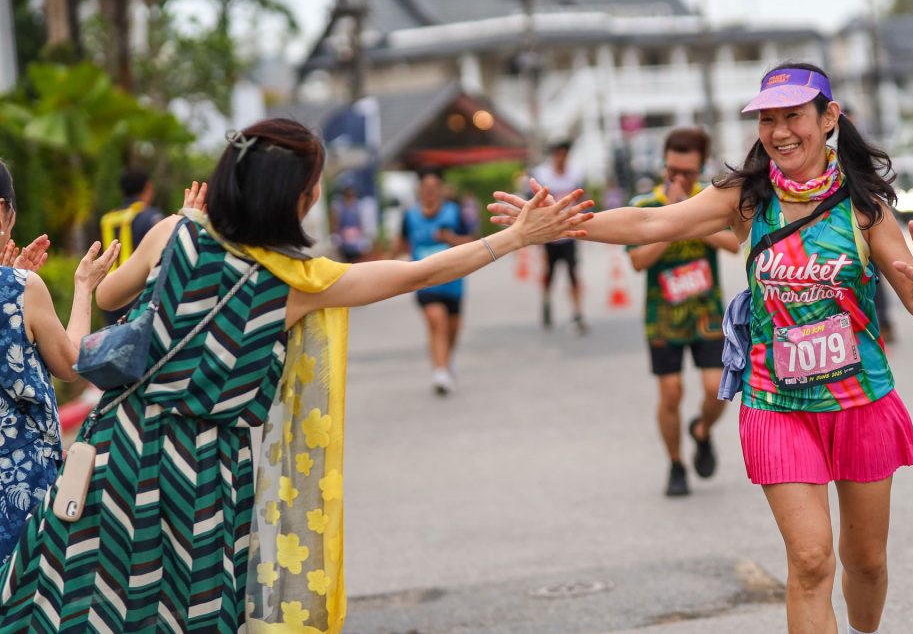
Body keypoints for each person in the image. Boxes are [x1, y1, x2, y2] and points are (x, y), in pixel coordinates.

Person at [0, 119, 591, 633]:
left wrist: (175, 240)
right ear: (296, 198)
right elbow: (418, 273)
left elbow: (110, 296)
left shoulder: (174, 232)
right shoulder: (295, 282)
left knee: (82, 596)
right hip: (204, 474)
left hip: (118, 447)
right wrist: (516, 236)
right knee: (190, 607)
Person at [491, 63, 913, 634]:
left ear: (829, 118)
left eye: (793, 116)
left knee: (865, 563)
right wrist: (559, 224)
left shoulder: (863, 206)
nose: (780, 132)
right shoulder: (747, 198)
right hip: (777, 404)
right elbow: (651, 225)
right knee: (810, 559)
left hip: (860, 403)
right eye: (768, 120)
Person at [0, 161, 120, 563]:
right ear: (3, 211)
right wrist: (83, 287)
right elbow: (70, 364)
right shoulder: (20, 289)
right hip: (18, 487)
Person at [626, 128, 739, 496]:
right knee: (671, 392)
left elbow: (733, 244)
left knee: (717, 389)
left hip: (707, 313)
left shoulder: (711, 201)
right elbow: (639, 261)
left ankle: (702, 430)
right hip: (662, 317)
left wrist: (689, 217)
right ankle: (676, 464)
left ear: (700, 169)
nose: (678, 179)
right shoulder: (645, 205)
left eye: (687, 173)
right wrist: (669, 219)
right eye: (672, 171)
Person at [394, 166, 474, 395]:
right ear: (419, 189)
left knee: (452, 330)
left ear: (441, 189)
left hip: (453, 282)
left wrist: (450, 238)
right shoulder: (409, 216)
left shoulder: (454, 212)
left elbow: (472, 242)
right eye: (425, 187)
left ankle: (446, 362)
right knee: (436, 321)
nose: (430, 191)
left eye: (434, 187)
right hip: (425, 282)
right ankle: (440, 373)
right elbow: (400, 245)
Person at [533, 140, 587, 333]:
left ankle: (577, 312)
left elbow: (583, 199)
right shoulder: (542, 174)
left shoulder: (575, 173)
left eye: (564, 155)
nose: (561, 159)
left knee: (573, 273)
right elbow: (534, 203)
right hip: (549, 234)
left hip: (569, 232)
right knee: (549, 273)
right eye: (558, 155)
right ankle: (546, 301)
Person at [100, 167, 164, 322]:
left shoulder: (107, 219)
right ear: (148, 188)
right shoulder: (151, 217)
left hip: (110, 294)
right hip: (138, 295)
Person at [330, 179, 372, 262]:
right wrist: (336, 235)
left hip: (356, 238)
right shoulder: (337, 206)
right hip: (343, 238)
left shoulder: (358, 205)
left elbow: (361, 222)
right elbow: (335, 222)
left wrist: (362, 235)